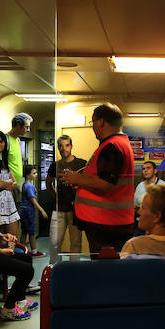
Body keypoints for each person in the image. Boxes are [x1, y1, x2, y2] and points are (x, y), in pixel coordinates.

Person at [59, 103, 135, 256]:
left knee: (105, 271)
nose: (92, 126)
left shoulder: (112, 146)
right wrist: (82, 184)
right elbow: (104, 180)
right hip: (110, 221)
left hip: (106, 223)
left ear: (101, 122)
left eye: (93, 122)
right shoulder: (118, 144)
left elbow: (105, 185)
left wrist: (77, 178)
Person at [0, 162, 38, 321]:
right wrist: (1, 251)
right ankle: (8, 308)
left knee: (26, 258)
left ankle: (20, 299)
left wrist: (2, 236)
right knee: (27, 270)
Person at [46, 134, 86, 263]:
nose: (64, 148)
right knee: (54, 242)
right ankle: (54, 270)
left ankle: (74, 271)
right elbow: (48, 183)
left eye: (67, 145)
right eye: (61, 146)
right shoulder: (55, 165)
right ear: (58, 148)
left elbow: (88, 183)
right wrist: (55, 196)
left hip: (76, 210)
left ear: (71, 146)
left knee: (76, 242)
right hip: (59, 209)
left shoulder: (82, 163)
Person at [19, 164, 48, 256]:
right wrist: (41, 210)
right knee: (32, 232)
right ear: (28, 175)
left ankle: (22, 251)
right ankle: (34, 251)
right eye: (34, 173)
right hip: (28, 211)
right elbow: (32, 199)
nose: (36, 174)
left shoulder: (25, 185)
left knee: (24, 231)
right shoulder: (29, 186)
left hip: (23, 210)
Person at [6, 112, 32, 190]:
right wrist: (12, 181)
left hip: (17, 183)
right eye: (26, 127)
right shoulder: (5, 140)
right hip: (8, 184)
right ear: (18, 126)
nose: (28, 130)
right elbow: (1, 164)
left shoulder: (17, 140)